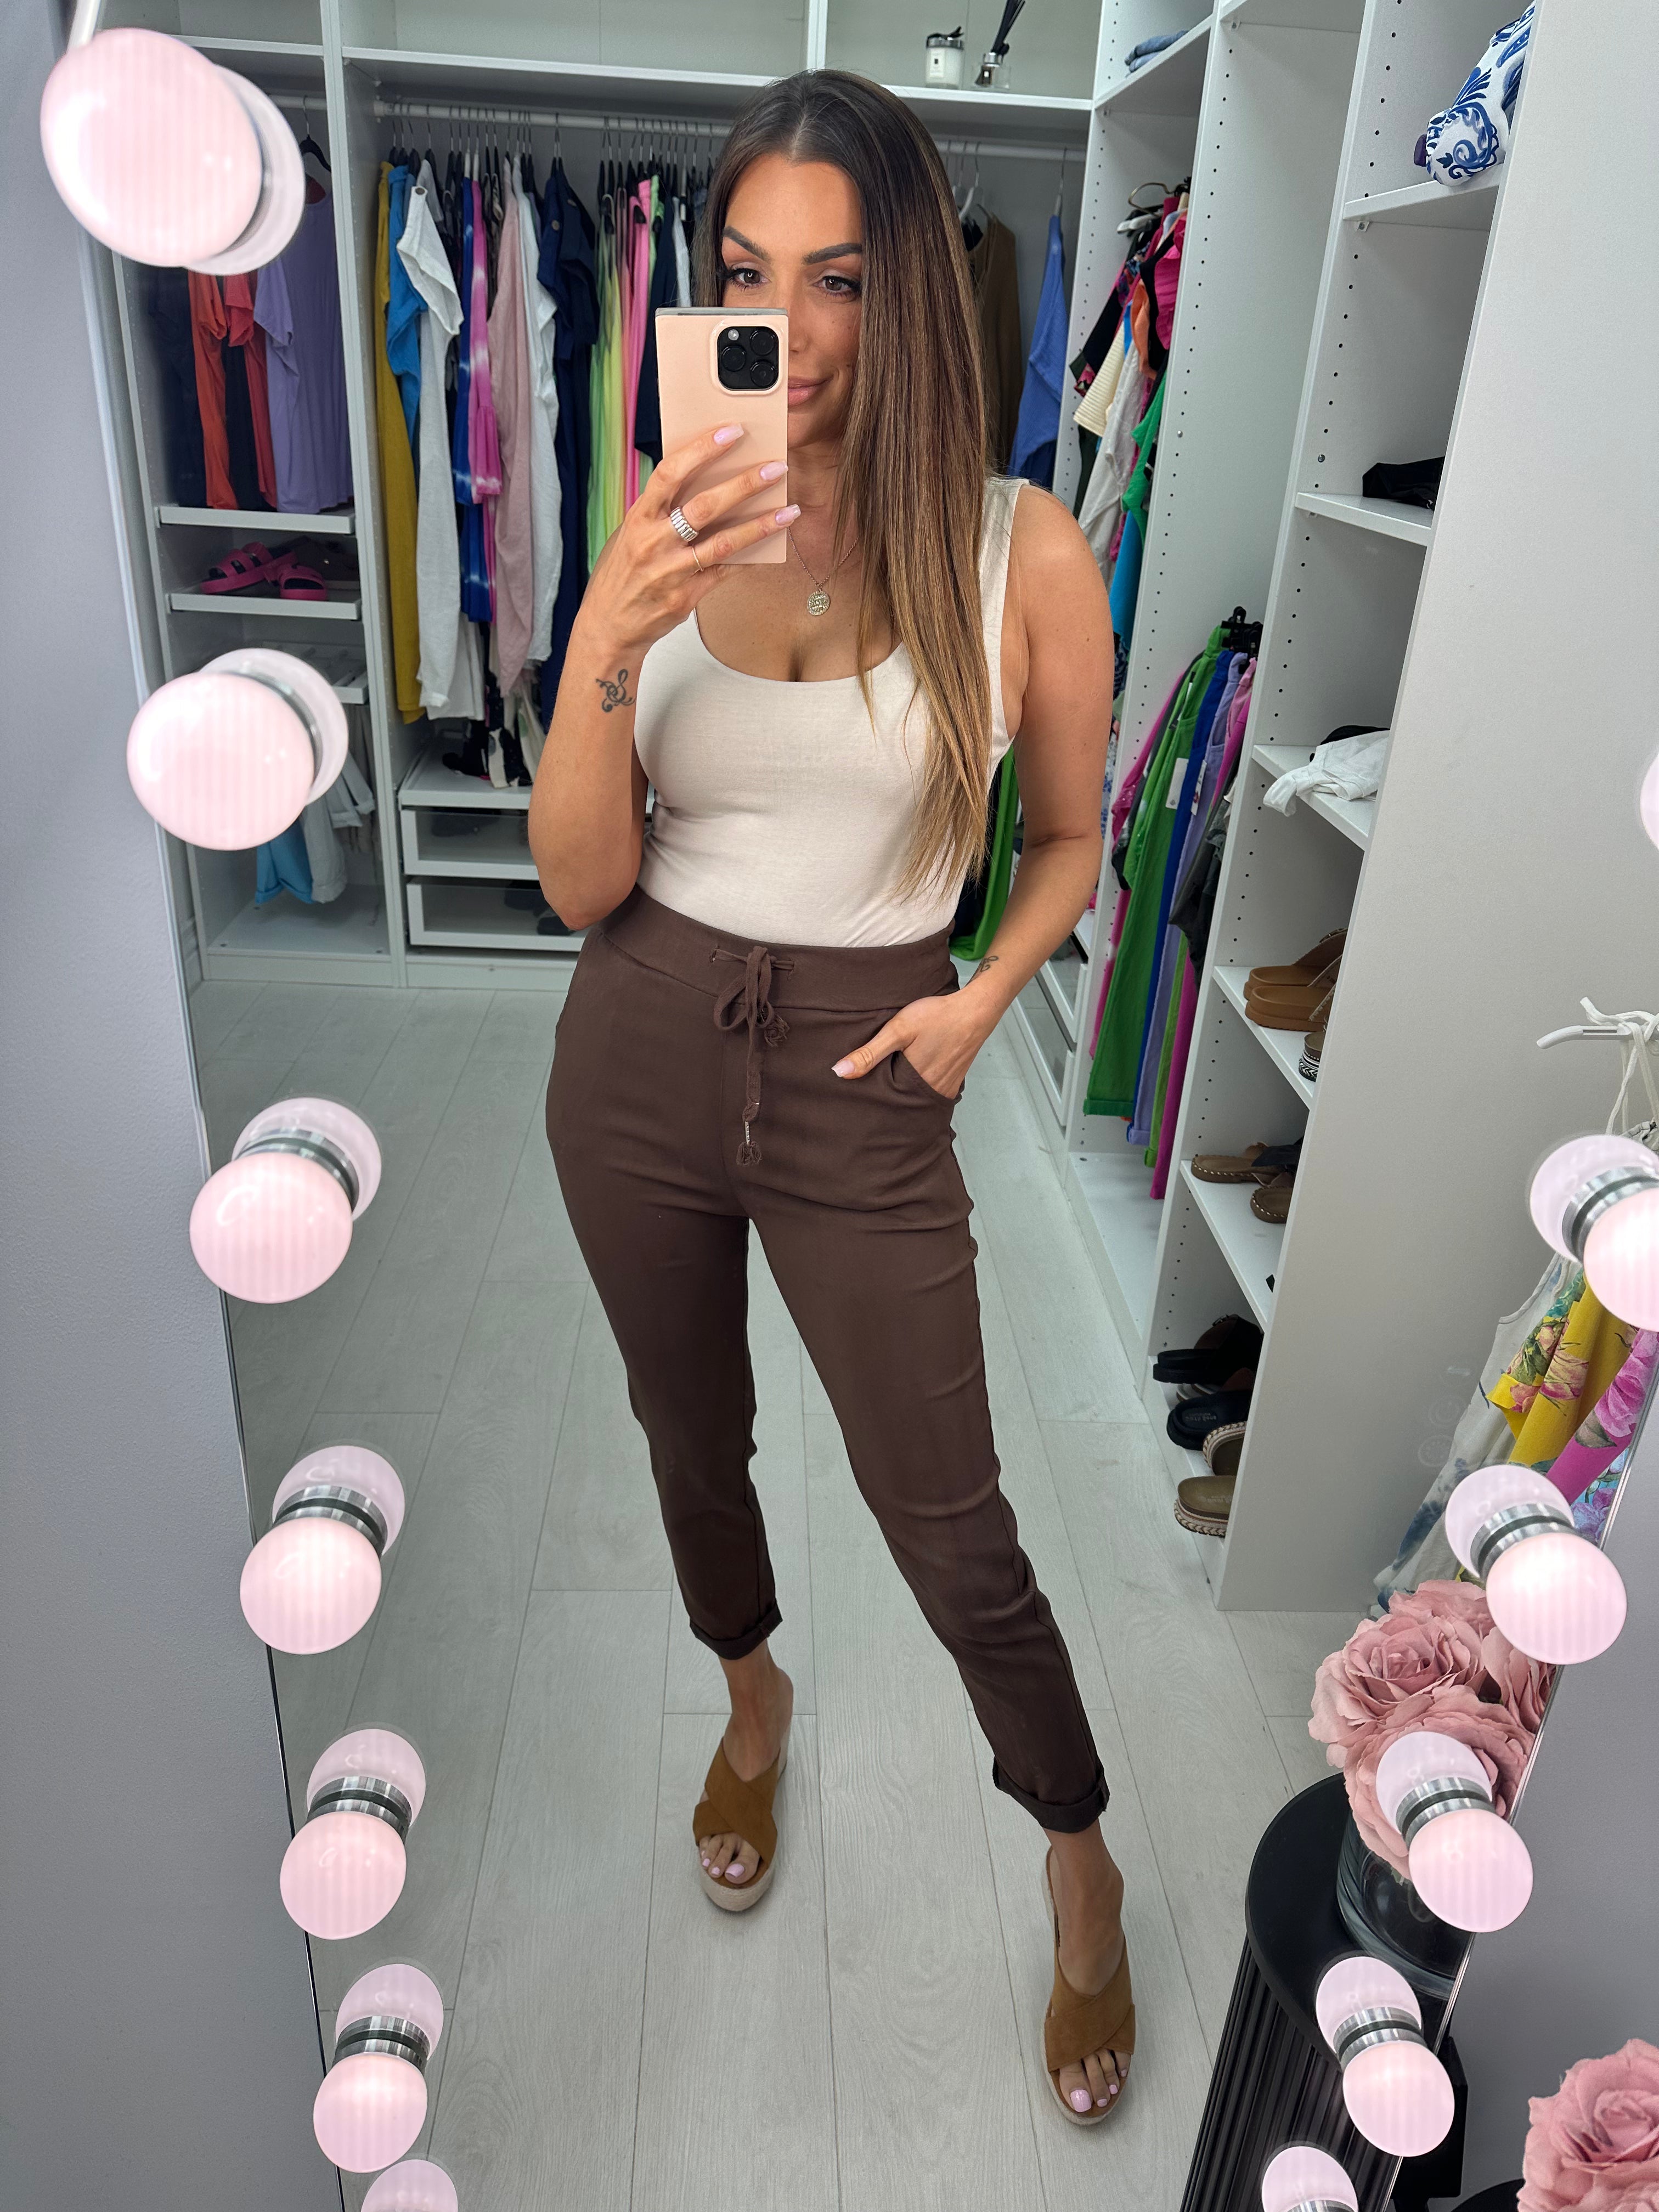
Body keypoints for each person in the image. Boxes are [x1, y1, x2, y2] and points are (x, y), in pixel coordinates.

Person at [531, 71, 1131, 2125]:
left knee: (949, 1516)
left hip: (877, 1059)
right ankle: (754, 1697)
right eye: (743, 272)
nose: (784, 325)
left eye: (840, 278)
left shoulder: (1019, 548)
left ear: (914, 296)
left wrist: (985, 999)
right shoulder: (665, 518)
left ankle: (1074, 1845)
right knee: (688, 1433)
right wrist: (610, 641)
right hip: (637, 1040)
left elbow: (1074, 840)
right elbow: (579, 883)